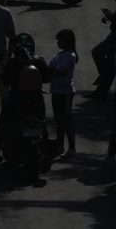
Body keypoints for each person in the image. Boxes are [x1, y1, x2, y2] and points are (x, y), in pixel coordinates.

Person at [48, 29, 78, 157]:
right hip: (56, 91)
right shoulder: (59, 54)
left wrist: (47, 72)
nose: (58, 42)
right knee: (58, 120)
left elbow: (57, 71)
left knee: (66, 119)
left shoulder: (70, 56)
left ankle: (72, 148)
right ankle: (60, 146)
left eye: (61, 40)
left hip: (65, 92)